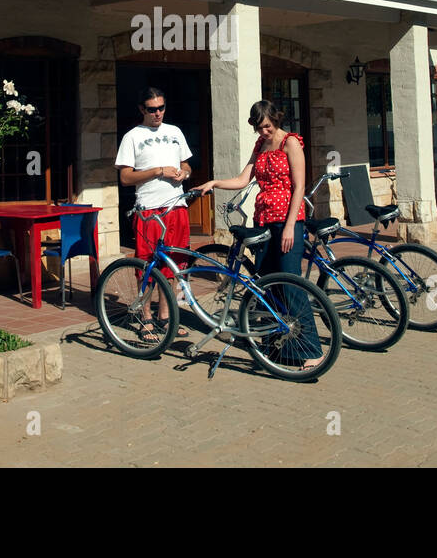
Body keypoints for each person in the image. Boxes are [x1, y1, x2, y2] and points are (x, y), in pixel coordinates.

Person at [198, 100, 322, 370]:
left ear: (275, 120)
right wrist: (216, 182)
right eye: (258, 128)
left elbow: (300, 187)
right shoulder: (260, 146)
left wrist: (290, 226)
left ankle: (312, 349)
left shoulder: (290, 142)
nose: (263, 132)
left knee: (290, 283)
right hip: (264, 220)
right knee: (266, 284)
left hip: (288, 221)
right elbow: (244, 179)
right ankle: (277, 346)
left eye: (266, 126)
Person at [114, 87, 192, 336]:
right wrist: (158, 171)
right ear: (142, 109)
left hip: (176, 205)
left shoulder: (175, 132)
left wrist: (185, 172)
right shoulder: (133, 136)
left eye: (161, 108)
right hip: (149, 208)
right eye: (152, 109)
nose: (157, 113)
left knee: (172, 264)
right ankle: (146, 317)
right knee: (147, 265)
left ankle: (166, 316)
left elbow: (186, 162)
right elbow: (125, 177)